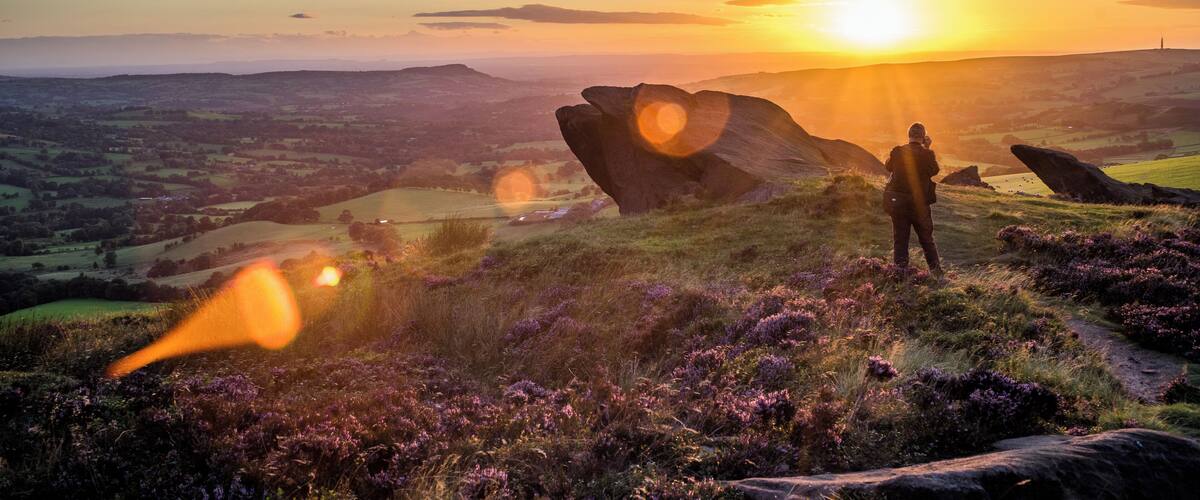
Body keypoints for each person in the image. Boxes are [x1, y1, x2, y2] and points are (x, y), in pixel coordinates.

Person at [883, 122, 942, 274]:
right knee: (927, 240)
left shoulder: (897, 151)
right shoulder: (927, 154)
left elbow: (888, 167)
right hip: (919, 205)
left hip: (898, 203)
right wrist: (927, 148)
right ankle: (937, 274)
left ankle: (900, 274)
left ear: (908, 135)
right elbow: (934, 170)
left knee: (900, 241)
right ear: (923, 137)